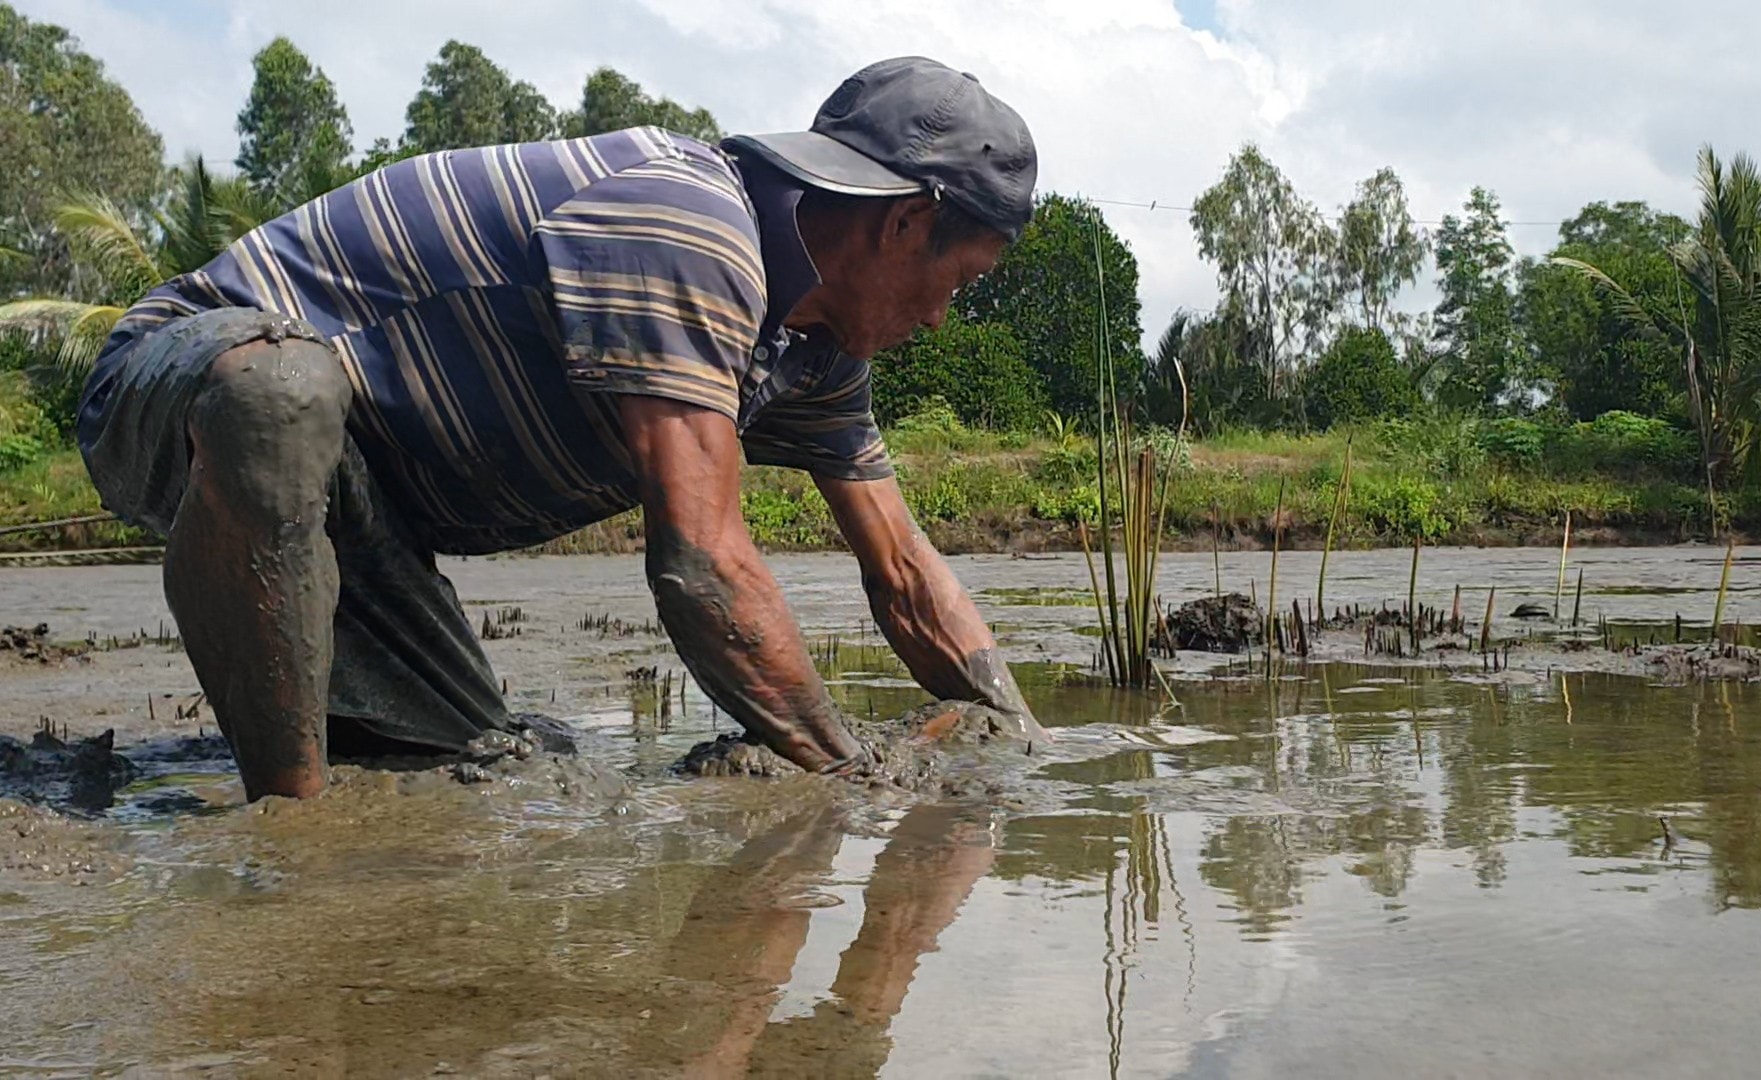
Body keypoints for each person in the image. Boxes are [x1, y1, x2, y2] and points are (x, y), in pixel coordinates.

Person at [76, 56, 1048, 801]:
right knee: (277, 399)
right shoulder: (692, 220)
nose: (939, 319)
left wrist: (1020, 739)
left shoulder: (813, 354)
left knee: (466, 761)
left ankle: (330, 777)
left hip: (368, 510)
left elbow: (908, 574)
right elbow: (704, 563)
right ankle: (289, 829)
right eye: (958, 284)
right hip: (187, 383)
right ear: (907, 225)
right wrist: (847, 776)